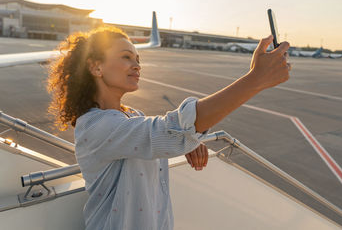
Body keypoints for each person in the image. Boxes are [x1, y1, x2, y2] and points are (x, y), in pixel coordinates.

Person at [47, 26, 290, 230]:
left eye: (138, 59)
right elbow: (167, 132)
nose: (137, 65)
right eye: (126, 57)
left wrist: (188, 141)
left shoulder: (132, 116)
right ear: (96, 67)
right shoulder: (96, 126)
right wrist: (255, 79)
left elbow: (160, 137)